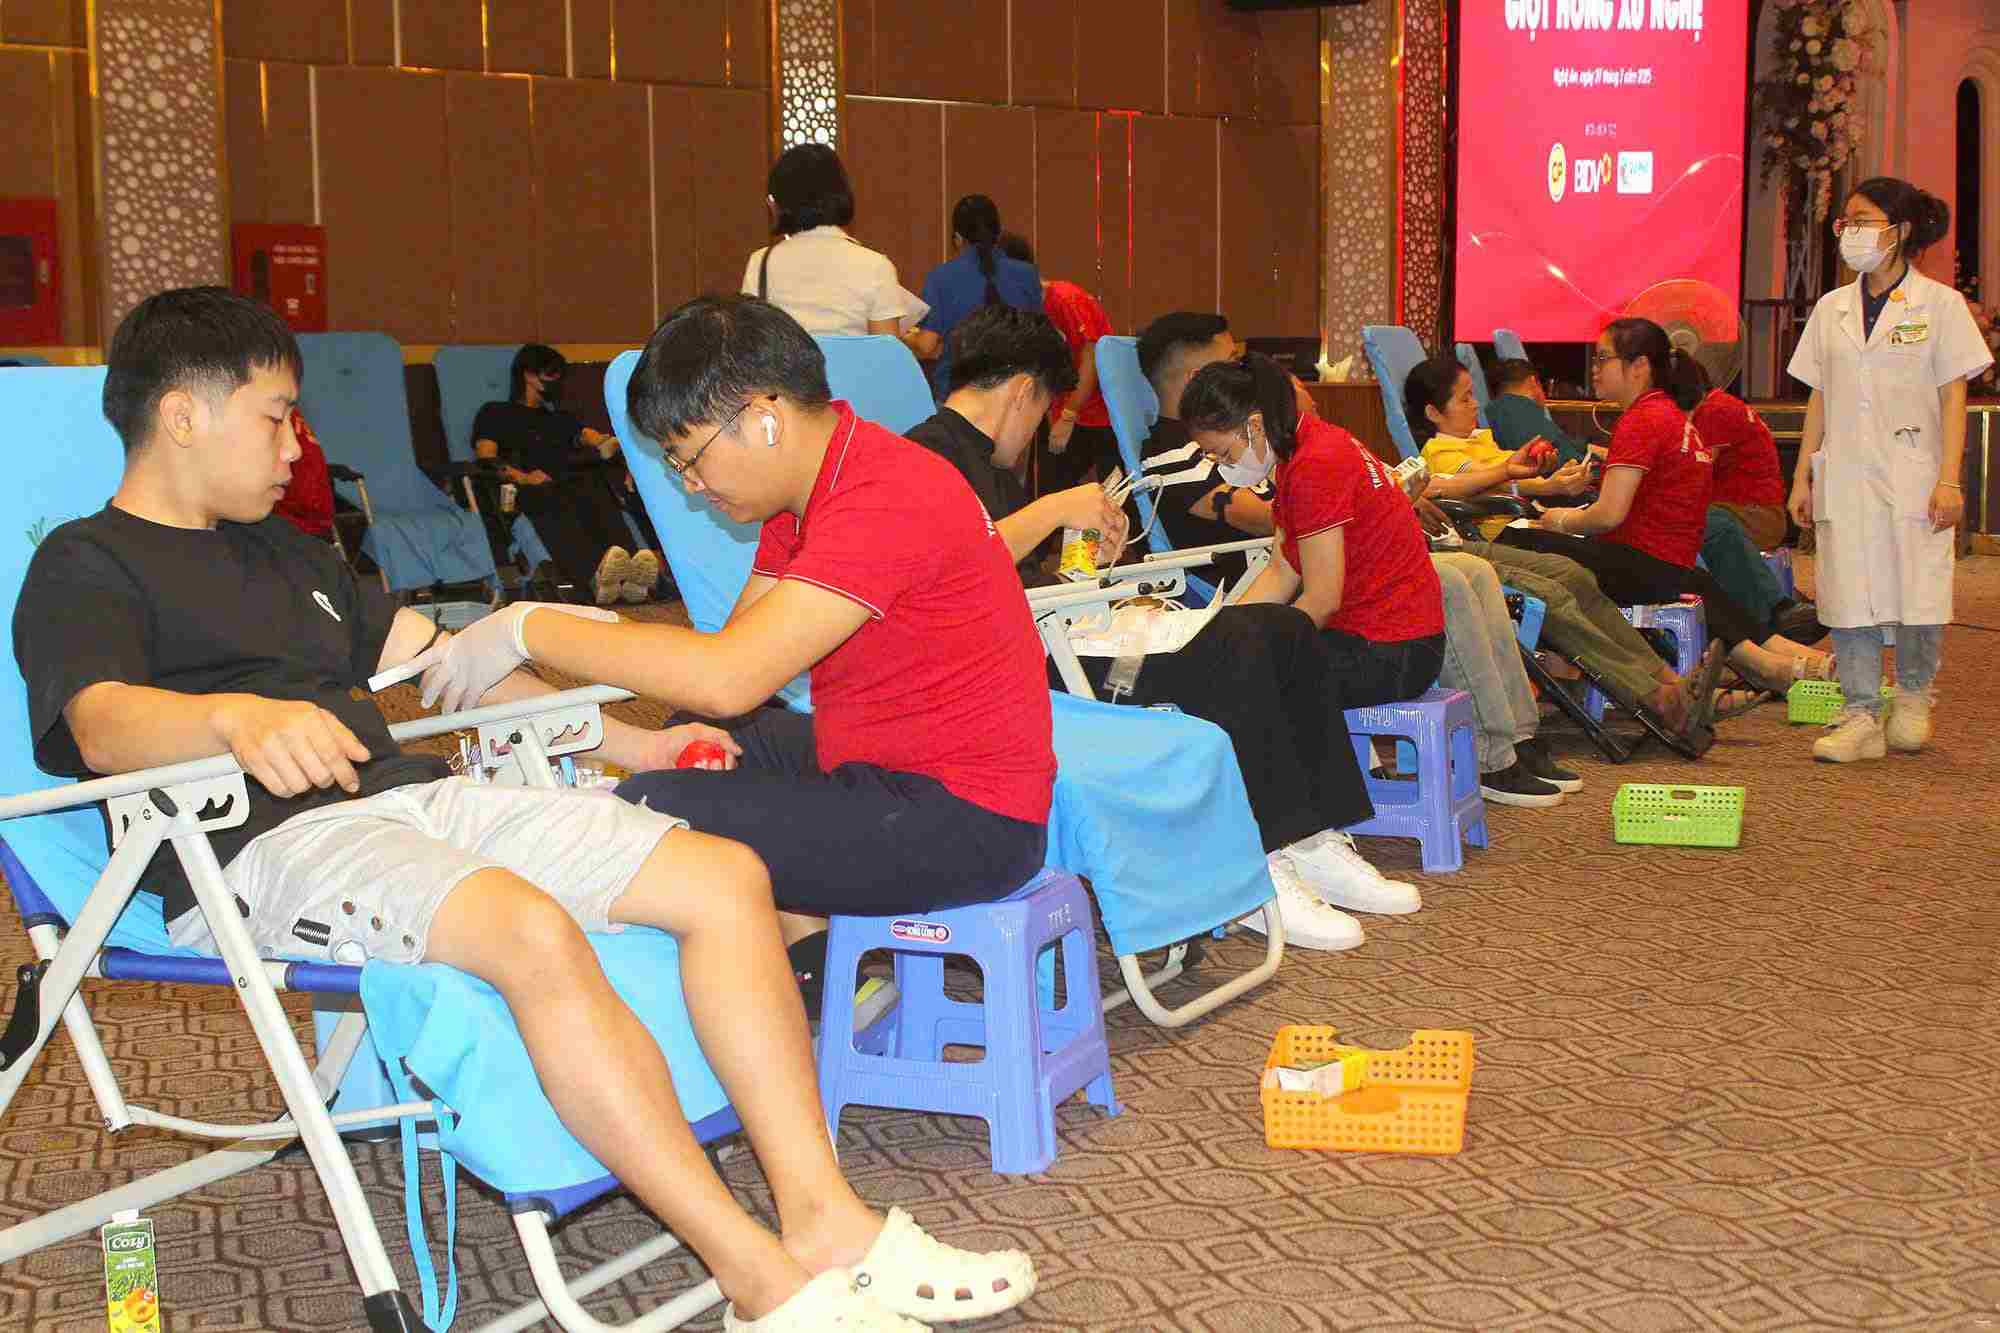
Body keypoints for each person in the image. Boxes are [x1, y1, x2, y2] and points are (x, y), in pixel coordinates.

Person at [16, 286, 1029, 1332]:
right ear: (182, 413)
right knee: (528, 927)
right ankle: (757, 1279)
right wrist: (231, 719)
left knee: (724, 873)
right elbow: (99, 722)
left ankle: (827, 1223)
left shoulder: (290, 553)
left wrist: (633, 741)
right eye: (276, 416)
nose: (297, 446)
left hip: (421, 799)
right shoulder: (87, 561)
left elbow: (447, 667)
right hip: (267, 847)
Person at [420, 295, 1057, 946]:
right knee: (699, 737)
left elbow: (730, 674)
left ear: (761, 418)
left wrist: (526, 626)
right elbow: (723, 666)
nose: (691, 485)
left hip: (970, 818)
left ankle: (809, 978)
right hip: (897, 761)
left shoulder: (884, 496)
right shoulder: (809, 492)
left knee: (659, 810)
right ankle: (812, 948)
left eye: (688, 457)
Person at [904, 306, 1420, 950]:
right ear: (1022, 393)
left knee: (1283, 630)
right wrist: (1053, 509)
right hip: (1017, 665)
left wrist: (1091, 554)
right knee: (1247, 643)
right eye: (1042, 413)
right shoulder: (921, 457)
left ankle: (1315, 836)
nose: (1037, 430)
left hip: (1065, 631)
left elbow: (1029, 568)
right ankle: (1262, 859)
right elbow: (945, 565)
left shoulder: (987, 467)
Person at [1497, 317, 1833, 696]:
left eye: (1603, 358)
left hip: (1644, 566)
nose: (1594, 367)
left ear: (1639, 366)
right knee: (1696, 579)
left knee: (1517, 537)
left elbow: (1608, 515)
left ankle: (1761, 662)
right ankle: (1774, 657)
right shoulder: (1672, 416)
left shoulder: (1642, 420)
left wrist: (1558, 519)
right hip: (1671, 563)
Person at [1402, 355, 1720, 737]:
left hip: (1481, 533)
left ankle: (1669, 682)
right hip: (1471, 540)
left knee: (1576, 574)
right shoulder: (1440, 452)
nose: (1475, 406)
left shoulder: (1476, 442)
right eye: (1465, 398)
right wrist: (1524, 481)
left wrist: (1540, 481)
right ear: (1434, 412)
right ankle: (1657, 697)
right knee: (1553, 593)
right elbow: (1452, 484)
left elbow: (1496, 479)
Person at [1787, 177, 1992, 762]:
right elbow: (1819, 397)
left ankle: (1913, 696)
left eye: (1863, 219)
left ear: (1899, 231)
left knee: (1918, 590)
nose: (1850, 232)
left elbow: (1954, 397)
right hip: (1845, 473)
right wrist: (1803, 475)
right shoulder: (1832, 309)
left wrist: (1949, 477)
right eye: (1845, 221)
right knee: (1847, 591)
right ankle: (1859, 714)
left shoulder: (1941, 306)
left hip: (1914, 471)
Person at [472, 345, 662, 604]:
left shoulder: (560, 418)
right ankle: (592, 579)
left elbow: (591, 437)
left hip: (567, 482)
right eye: (551, 373)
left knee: (595, 488)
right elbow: (486, 458)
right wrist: (523, 477)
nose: (557, 381)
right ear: (528, 375)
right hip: (529, 488)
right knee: (553, 502)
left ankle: (631, 575)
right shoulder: (495, 413)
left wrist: (613, 444)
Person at [1131, 313, 1275, 586]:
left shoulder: (1232, 433)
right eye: (1233, 364)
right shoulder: (1168, 454)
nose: (1244, 375)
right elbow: (1265, 518)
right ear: (1197, 382)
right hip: (1252, 597)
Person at [1687, 363, 1825, 647]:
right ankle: (1776, 610)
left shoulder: (1713, 411)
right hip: (1755, 511)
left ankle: (1771, 615)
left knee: (1704, 523)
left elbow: (1692, 474)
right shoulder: (1721, 405)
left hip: (1753, 515)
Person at [741, 143, 923, 337]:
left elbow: (751, 344)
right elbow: (885, 357)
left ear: (778, 203)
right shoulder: (876, 266)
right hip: (855, 368)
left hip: (788, 368)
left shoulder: (760, 263)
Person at [996, 232, 1121, 495]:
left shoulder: (1066, 298)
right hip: (1059, 413)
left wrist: (1069, 414)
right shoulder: (1022, 310)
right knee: (1044, 493)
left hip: (1098, 418)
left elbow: (1092, 357)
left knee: (1111, 498)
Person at [905, 195, 1043, 396]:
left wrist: (904, 337)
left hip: (960, 398)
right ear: (998, 232)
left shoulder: (942, 278)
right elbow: (1037, 336)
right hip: (1016, 397)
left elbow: (926, 346)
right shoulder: (1027, 274)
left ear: (958, 238)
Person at [1486, 358, 1592, 465]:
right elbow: (1574, 460)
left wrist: (1587, 447)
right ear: (1532, 381)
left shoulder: (1491, 412)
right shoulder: (1527, 411)